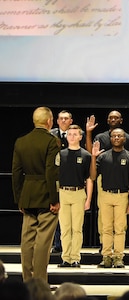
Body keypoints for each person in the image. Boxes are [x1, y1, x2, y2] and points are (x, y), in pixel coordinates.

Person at [12, 106, 60, 283]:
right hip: (46, 197)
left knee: (27, 239)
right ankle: (39, 282)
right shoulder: (51, 141)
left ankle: (27, 280)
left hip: (28, 195)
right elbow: (51, 172)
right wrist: (55, 199)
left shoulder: (21, 141)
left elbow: (16, 173)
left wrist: (19, 199)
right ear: (49, 121)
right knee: (43, 241)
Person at [86, 111, 129, 254]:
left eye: (116, 117)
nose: (113, 119)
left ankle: (118, 253)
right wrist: (88, 133)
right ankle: (105, 246)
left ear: (121, 120)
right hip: (104, 176)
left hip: (122, 181)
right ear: (107, 120)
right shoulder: (100, 137)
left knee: (120, 224)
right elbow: (91, 155)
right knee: (104, 218)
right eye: (111, 117)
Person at [57, 125, 93, 268]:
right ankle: (66, 257)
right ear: (66, 136)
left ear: (80, 137)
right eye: (69, 134)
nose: (72, 136)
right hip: (63, 192)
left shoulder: (86, 155)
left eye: (75, 134)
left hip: (78, 193)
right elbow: (55, 177)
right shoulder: (60, 154)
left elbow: (89, 179)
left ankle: (75, 257)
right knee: (65, 227)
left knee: (77, 228)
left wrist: (88, 198)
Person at [50, 110, 85, 255]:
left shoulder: (82, 151)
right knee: (61, 222)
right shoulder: (50, 135)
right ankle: (59, 247)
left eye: (66, 118)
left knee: (75, 226)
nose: (63, 121)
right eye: (61, 119)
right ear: (57, 121)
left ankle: (74, 254)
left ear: (71, 121)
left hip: (75, 186)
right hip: (59, 184)